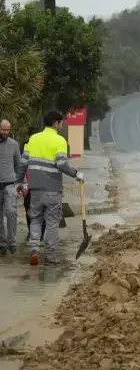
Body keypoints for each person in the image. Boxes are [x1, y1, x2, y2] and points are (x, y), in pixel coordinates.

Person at [18, 110, 84, 266]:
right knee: (52, 224)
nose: (62, 125)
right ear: (56, 123)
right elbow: (61, 164)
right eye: (61, 122)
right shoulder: (60, 141)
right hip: (53, 190)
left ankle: (34, 249)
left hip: (35, 190)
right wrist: (76, 174)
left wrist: (19, 182)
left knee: (35, 220)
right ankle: (50, 258)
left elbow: (22, 163)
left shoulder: (33, 139)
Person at [0, 119, 26, 256]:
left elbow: (19, 166)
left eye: (7, 130)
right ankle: (2, 244)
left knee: (11, 212)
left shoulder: (13, 144)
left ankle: (12, 242)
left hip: (10, 185)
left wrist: (23, 183)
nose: (5, 132)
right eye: (3, 129)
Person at [22, 125, 46, 242]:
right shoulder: (25, 146)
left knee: (43, 208)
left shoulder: (45, 146)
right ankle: (31, 232)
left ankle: (41, 233)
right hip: (29, 183)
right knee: (28, 209)